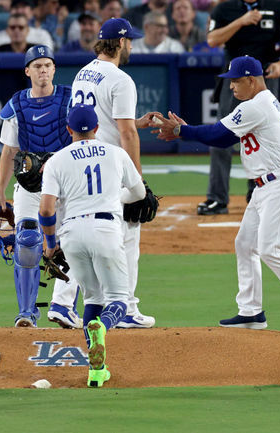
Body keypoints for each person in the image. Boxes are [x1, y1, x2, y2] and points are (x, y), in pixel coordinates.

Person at [153, 55, 280, 333]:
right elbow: (221, 135)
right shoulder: (256, 104)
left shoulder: (257, 105)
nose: (231, 87)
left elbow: (217, 136)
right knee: (245, 244)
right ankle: (251, 312)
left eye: (235, 81)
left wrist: (180, 130)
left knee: (271, 248)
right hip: (264, 187)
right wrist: (184, 130)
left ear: (251, 80)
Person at [39, 104, 146, 387]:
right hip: (106, 228)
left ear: (69, 130)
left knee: (92, 299)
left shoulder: (56, 161)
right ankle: (104, 326)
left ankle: (96, 370)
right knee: (119, 301)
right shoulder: (116, 153)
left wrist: (50, 244)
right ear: (97, 128)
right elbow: (139, 192)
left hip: (72, 232)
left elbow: (47, 210)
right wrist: (116, 198)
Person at [71, 18, 162, 328]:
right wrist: (137, 178)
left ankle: (98, 307)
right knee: (126, 238)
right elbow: (126, 134)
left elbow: (102, 121)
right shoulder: (121, 79)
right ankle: (125, 308)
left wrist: (136, 122)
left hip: (85, 166)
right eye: (130, 41)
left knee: (93, 237)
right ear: (121, 43)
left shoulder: (84, 72)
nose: (132, 46)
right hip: (111, 169)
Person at [0, 45, 82, 329]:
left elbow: (85, 138)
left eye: (47, 65)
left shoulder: (70, 99)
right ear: (27, 71)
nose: (43, 70)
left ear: (54, 69)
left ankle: (63, 307)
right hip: (30, 186)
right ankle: (27, 313)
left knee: (73, 244)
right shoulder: (17, 104)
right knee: (27, 241)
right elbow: (9, 151)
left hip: (67, 187)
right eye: (37, 66)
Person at [199, 0, 280, 216]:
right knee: (222, 137)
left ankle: (257, 194)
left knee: (262, 139)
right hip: (235, 79)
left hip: (264, 77)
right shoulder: (225, 8)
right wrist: (241, 21)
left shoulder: (277, 6)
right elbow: (212, 40)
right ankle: (217, 198)